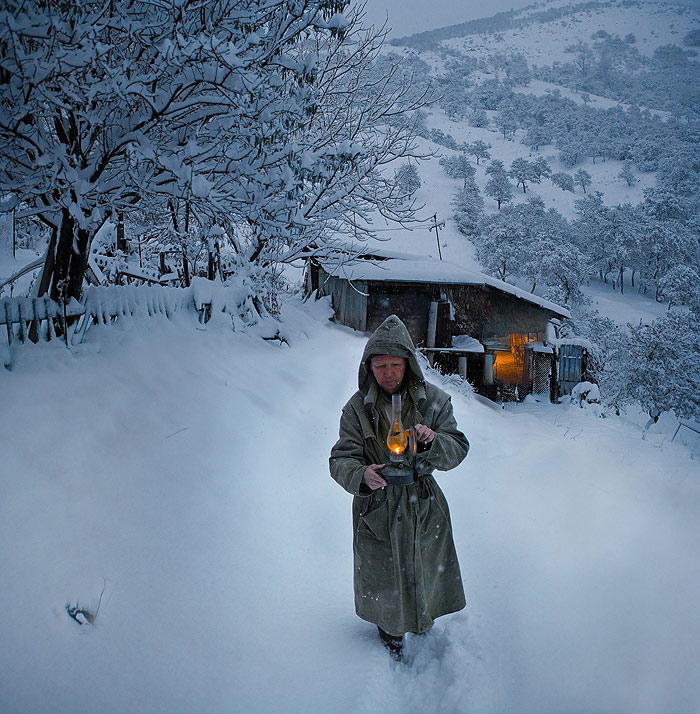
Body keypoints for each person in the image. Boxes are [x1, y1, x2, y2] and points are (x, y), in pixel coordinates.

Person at [329, 314, 469, 659]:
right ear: (368, 368)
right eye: (380, 366)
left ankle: (423, 622)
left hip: (423, 502)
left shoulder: (434, 401)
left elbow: (457, 449)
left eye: (395, 364)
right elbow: (340, 459)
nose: (388, 373)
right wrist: (362, 475)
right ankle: (389, 631)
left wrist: (434, 441)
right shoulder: (355, 410)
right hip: (378, 508)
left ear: (408, 364)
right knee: (384, 572)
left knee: (423, 565)